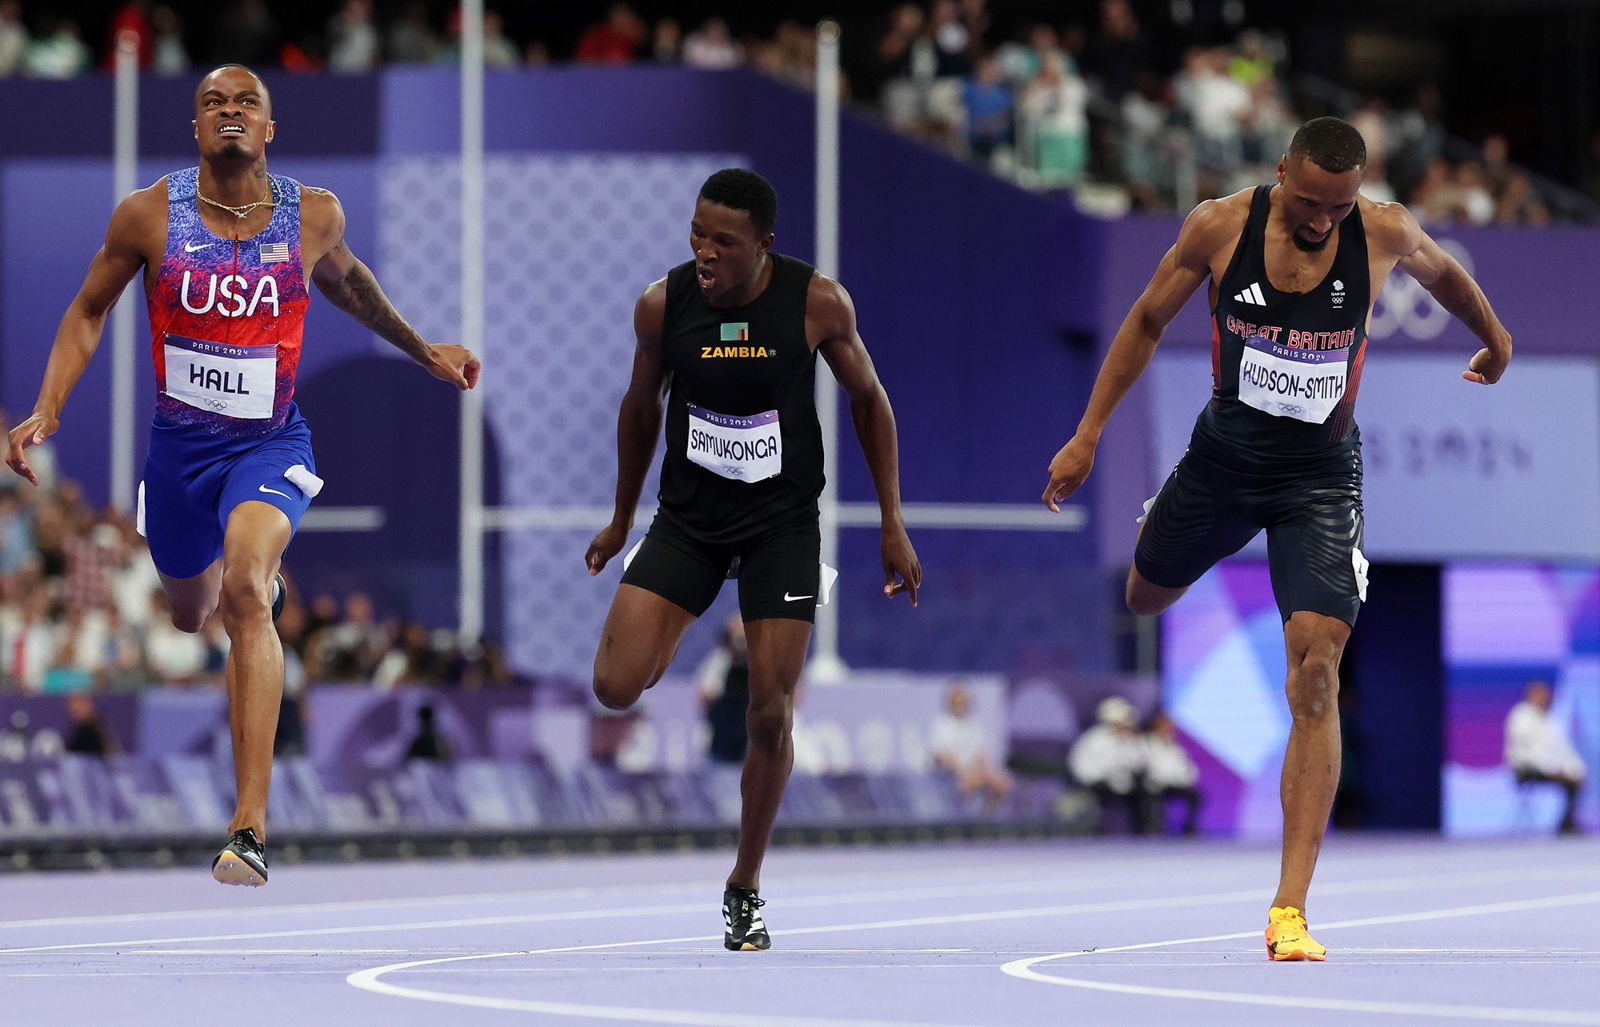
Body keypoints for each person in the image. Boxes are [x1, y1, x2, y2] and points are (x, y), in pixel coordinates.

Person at [1041, 117, 1512, 961]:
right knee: (1145, 593)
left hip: (1321, 479)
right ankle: (1171, 527)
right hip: (1222, 463)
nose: (1320, 220)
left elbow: (1445, 279)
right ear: (1281, 172)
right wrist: (1089, 433)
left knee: (1319, 667)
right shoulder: (1220, 225)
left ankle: (1289, 908)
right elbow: (1146, 320)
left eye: (1336, 207)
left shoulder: (1387, 230)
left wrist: (1498, 337)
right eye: (1306, 202)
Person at [5, 65, 480, 887]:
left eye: (246, 103)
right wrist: (48, 406)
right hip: (179, 455)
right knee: (191, 614)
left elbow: (354, 291)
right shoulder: (148, 215)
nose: (229, 112)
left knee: (247, 591)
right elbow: (89, 309)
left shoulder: (315, 215)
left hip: (269, 443)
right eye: (213, 104)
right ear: (196, 129)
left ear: (269, 129)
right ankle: (235, 582)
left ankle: (249, 826)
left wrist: (422, 348)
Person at [585, 168, 921, 952]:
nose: (705, 251)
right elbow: (641, 408)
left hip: (780, 526)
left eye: (724, 242)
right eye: (697, 233)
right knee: (614, 685)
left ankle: (744, 883)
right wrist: (621, 515)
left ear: (764, 246)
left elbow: (869, 400)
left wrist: (891, 521)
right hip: (691, 521)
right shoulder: (662, 306)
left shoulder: (816, 303)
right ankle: (675, 623)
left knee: (769, 708)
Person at [1504, 680, 1586, 835]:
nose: (1542, 697)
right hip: (1527, 768)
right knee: (1567, 779)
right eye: (1538, 694)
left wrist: (1576, 769)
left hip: (1549, 768)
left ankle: (1566, 822)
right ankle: (1566, 822)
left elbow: (1562, 749)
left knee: (1575, 780)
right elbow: (1527, 752)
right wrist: (1552, 769)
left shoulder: (1550, 719)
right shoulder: (1521, 716)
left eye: (1544, 694)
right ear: (1529, 695)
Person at [1067, 695, 1146, 833]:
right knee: (1106, 798)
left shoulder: (1129, 740)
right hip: (1096, 781)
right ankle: (1102, 831)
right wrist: (1099, 779)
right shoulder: (1094, 738)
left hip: (1121, 782)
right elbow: (1081, 766)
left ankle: (1141, 833)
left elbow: (1138, 762)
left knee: (1143, 793)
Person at [929, 682, 1012, 811]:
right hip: (952, 775)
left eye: (963, 703)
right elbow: (944, 757)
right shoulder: (942, 725)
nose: (960, 707)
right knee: (968, 782)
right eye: (956, 703)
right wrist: (964, 773)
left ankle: (989, 818)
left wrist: (985, 772)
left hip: (973, 771)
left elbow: (981, 754)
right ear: (950, 704)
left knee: (1002, 782)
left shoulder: (974, 724)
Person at [696, 613, 751, 765]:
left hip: (751, 736)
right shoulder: (718, 661)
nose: (741, 643)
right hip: (721, 736)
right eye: (737, 638)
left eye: (745, 637)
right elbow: (706, 696)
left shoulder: (759, 663)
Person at [1141, 710, 1201, 835]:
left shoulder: (1175, 747)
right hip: (1156, 784)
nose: (1169, 730)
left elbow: (1187, 768)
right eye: (1165, 726)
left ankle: (1189, 828)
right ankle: (1154, 828)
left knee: (1195, 796)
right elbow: (1149, 767)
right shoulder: (1147, 744)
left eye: (1170, 727)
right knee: (1153, 795)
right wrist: (1161, 780)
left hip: (1175, 783)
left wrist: (1186, 781)